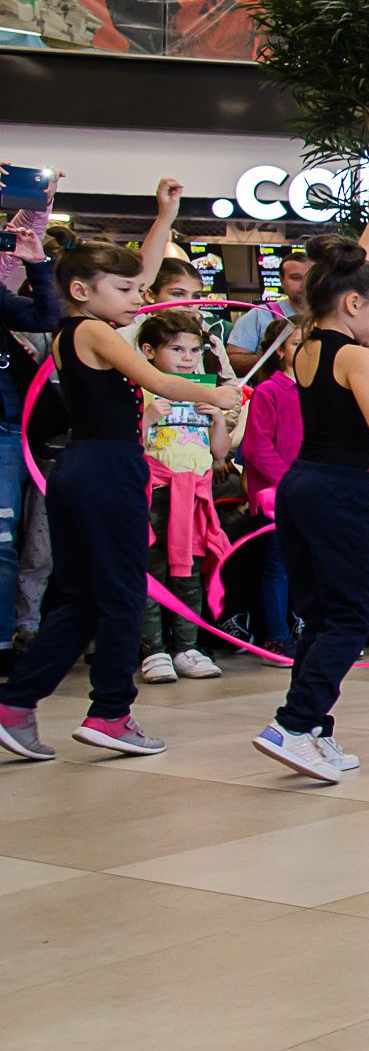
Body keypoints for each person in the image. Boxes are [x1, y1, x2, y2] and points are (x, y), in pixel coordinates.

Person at [0, 180, 242, 762]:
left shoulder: (78, 327)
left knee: (80, 597)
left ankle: (16, 704)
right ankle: (110, 712)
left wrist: (165, 217)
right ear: (82, 290)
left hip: (82, 468)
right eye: (127, 290)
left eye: (139, 289)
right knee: (122, 593)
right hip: (108, 469)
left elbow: (142, 271)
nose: (140, 297)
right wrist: (217, 393)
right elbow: (160, 381)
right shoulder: (93, 331)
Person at [250, 218, 369, 782]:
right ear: (354, 304)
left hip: (301, 486)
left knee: (321, 614)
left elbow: (348, 277)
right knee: (353, 614)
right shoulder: (357, 356)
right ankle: (293, 722)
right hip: (339, 490)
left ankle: (310, 726)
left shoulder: (307, 345)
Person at [136, 308, 241, 683]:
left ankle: (187, 647)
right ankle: (153, 651)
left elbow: (219, 453)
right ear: (149, 352)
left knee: (189, 571)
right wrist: (147, 418)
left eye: (194, 351)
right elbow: (127, 446)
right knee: (151, 570)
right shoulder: (141, 390)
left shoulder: (204, 393)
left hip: (195, 495)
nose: (187, 358)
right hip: (154, 492)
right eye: (177, 350)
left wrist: (217, 418)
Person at [0, 216, 61, 674]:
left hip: (8, 432)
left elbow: (46, 318)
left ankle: (5, 642)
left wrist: (38, 265)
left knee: (5, 542)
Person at [238, 328, 302, 655]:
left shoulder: (318, 391)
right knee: (277, 564)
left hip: (309, 493)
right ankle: (276, 635)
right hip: (276, 496)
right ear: (279, 350)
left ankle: (304, 627)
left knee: (307, 562)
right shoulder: (268, 391)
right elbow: (257, 447)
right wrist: (289, 483)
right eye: (297, 343)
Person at [224, 257, 304, 376]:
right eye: (296, 278)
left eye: (311, 277)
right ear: (281, 281)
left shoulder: (331, 316)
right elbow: (231, 362)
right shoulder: (259, 315)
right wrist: (271, 360)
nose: (304, 284)